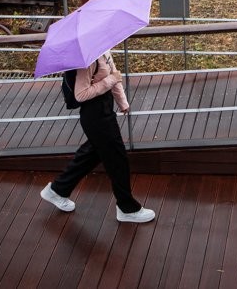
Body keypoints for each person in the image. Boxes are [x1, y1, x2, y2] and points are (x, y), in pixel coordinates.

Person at [39, 51, 155, 224]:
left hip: (105, 108)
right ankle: (127, 208)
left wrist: (122, 103)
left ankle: (57, 190)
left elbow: (113, 73)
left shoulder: (104, 50)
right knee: (118, 160)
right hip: (95, 115)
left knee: (91, 154)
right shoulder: (87, 60)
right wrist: (110, 80)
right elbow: (81, 94)